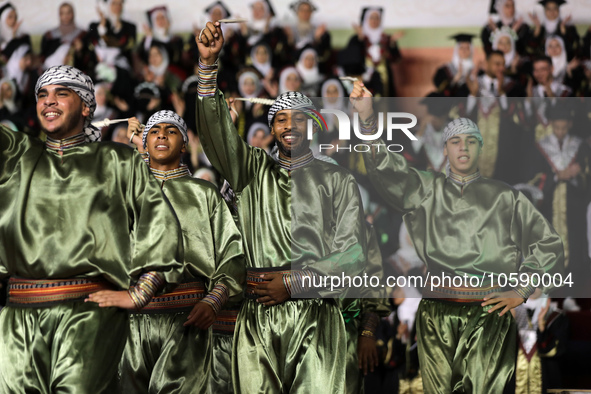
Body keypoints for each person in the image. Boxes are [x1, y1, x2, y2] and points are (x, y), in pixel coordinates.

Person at [353, 83, 564, 392]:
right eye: (455, 141)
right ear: (445, 148)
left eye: (470, 141)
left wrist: (521, 290)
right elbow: (388, 169)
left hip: (490, 312)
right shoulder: (426, 189)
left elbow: (548, 243)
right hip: (436, 312)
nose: (463, 147)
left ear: (480, 148)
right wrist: (368, 119)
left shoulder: (505, 197)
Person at [195, 21, 367, 392]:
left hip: (317, 316)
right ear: (272, 130)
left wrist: (294, 282)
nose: (291, 126)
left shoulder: (337, 180)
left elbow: (353, 256)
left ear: (314, 126)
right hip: (257, 317)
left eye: (300, 119)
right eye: (282, 120)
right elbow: (215, 136)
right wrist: (208, 68)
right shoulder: (252, 169)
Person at [0, 65, 184, 393]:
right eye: (42, 95)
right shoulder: (18, 156)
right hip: (17, 315)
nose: (49, 102)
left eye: (61, 93)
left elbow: (161, 223)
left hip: (88, 314)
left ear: (86, 106)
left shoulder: (117, 160)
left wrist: (140, 293)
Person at [91, 110, 244, 393]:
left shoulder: (204, 193)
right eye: (154, 131)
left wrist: (213, 301)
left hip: (185, 320)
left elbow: (231, 255)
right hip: (128, 323)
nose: (161, 134)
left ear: (185, 145)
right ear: (145, 144)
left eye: (171, 131)